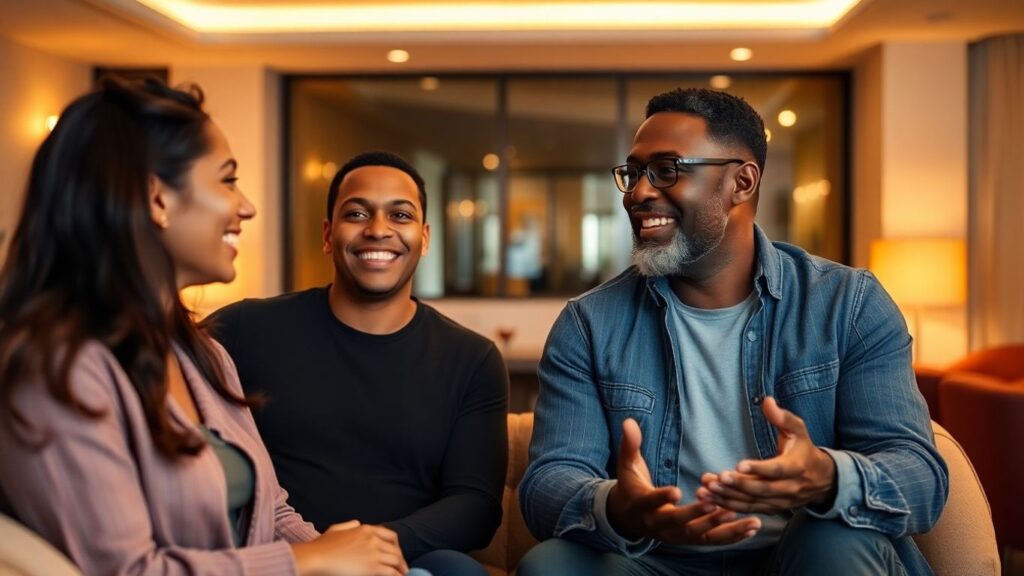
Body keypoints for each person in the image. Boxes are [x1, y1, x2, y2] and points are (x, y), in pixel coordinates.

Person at [517, 88, 948, 576]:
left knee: (832, 540)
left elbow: (921, 479)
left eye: (666, 169)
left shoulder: (848, 305)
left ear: (741, 182)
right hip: (656, 560)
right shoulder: (590, 324)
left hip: (803, 553)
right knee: (551, 566)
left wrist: (826, 477)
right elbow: (546, 484)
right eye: (634, 173)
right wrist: (620, 507)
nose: (638, 193)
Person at [0, 77, 420, 576]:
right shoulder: (57, 370)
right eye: (226, 179)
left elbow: (272, 510)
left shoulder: (198, 351)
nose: (246, 206)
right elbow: (128, 571)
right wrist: (307, 560)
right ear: (156, 199)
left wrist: (352, 559)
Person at [204, 151, 509, 576]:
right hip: (277, 558)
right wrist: (318, 555)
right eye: (357, 213)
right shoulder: (242, 329)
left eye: (399, 215)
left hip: (404, 560)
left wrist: (366, 549)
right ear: (328, 234)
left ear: (424, 237)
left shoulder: (472, 358)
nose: (378, 229)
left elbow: (475, 507)